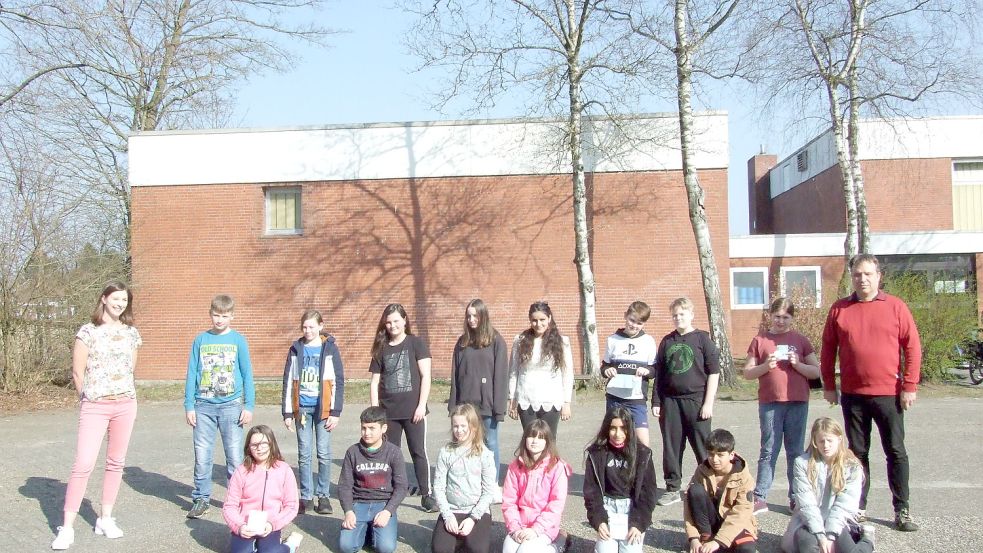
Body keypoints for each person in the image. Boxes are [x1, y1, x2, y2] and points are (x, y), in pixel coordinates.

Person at [821, 253, 921, 531]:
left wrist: (909, 385)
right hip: (853, 395)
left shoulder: (896, 307)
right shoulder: (840, 309)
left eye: (867, 274)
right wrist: (829, 385)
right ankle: (857, 506)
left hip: (889, 394)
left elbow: (912, 347)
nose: (862, 279)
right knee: (857, 453)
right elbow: (828, 349)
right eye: (857, 274)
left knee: (895, 451)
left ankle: (902, 510)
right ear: (851, 277)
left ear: (879, 276)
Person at [51, 283, 143, 550]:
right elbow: (78, 373)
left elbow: (130, 369)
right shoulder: (87, 332)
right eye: (115, 298)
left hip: (125, 404)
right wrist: (88, 399)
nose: (120, 303)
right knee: (83, 464)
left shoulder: (131, 334)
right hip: (95, 405)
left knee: (116, 462)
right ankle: (66, 527)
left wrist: (123, 395)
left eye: (124, 300)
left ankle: (105, 517)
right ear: (104, 299)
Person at [743, 297, 820, 515]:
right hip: (770, 402)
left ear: (792, 318)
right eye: (777, 316)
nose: (781, 321)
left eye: (786, 317)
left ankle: (796, 497)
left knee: (795, 451)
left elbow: (816, 372)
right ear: (770, 316)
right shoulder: (760, 340)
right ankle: (760, 496)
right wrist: (766, 366)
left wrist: (799, 364)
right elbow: (748, 372)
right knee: (769, 449)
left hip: (797, 401)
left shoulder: (801, 340)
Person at [184, 294, 256, 519]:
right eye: (216, 315)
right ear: (210, 314)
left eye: (224, 316)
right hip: (203, 406)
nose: (220, 320)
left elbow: (247, 374)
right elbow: (192, 373)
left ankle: (236, 500)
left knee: (234, 456)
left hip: (231, 406)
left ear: (232, 316)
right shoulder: (201, 340)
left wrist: (249, 405)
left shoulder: (238, 341)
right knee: (202, 455)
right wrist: (189, 405)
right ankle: (201, 498)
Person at [651, 297, 720, 507]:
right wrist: (656, 401)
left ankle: (709, 485)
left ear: (691, 315)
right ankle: (673, 487)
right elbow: (660, 374)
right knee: (671, 446)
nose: (678, 318)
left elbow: (714, 373)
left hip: (696, 401)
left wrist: (708, 403)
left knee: (702, 445)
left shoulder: (702, 340)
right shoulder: (667, 341)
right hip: (671, 401)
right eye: (675, 315)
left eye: (682, 314)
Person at [369, 303, 436, 511]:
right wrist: (376, 414)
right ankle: (392, 493)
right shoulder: (381, 348)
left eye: (396, 321)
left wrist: (421, 406)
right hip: (389, 414)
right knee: (391, 454)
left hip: (414, 411)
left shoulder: (416, 344)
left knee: (418, 451)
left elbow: (426, 376)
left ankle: (427, 494)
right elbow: (374, 383)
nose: (392, 325)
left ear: (404, 320)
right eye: (388, 322)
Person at [281, 309, 345, 515]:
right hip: (303, 410)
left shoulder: (330, 349)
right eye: (305, 327)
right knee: (304, 454)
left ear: (320, 326)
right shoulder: (296, 350)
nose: (308, 330)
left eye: (312, 326)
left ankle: (323, 495)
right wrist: (288, 413)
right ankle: (306, 496)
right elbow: (288, 381)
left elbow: (338, 381)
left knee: (324, 454)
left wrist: (335, 412)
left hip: (323, 409)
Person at [781, 418, 875, 553]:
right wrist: (820, 535)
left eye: (830, 440)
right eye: (821, 441)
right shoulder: (802, 463)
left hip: (838, 521)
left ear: (839, 439)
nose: (826, 445)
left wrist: (830, 536)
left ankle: (867, 539)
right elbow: (806, 504)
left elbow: (845, 504)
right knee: (807, 545)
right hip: (808, 522)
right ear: (815, 442)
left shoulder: (852, 466)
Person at [448, 299, 509, 483]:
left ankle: (491, 483)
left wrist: (499, 409)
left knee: (490, 443)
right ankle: (470, 482)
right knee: (466, 444)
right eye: (469, 316)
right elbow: (456, 374)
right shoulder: (462, 342)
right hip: (466, 406)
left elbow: (501, 377)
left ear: (483, 316)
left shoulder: (496, 341)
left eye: (475, 315)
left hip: (488, 405)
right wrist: (453, 406)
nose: (471, 319)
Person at [584, 407, 658, 553]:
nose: (618, 434)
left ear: (630, 429)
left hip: (631, 511)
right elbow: (591, 492)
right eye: (613, 428)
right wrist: (599, 521)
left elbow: (648, 494)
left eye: (623, 428)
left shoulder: (643, 454)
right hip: (607, 509)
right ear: (606, 429)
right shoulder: (596, 454)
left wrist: (638, 523)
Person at [222, 425, 304, 553]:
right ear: (248, 448)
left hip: (270, 525)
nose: (259, 448)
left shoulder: (284, 470)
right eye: (254, 445)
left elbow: (292, 506)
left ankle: (289, 545)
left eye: (264, 443)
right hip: (245, 525)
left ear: (272, 444)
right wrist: (239, 526)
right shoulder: (241, 471)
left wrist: (272, 524)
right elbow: (229, 506)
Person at [338, 406, 408, 553]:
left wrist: (388, 511)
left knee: (386, 548)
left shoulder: (393, 452)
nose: (367, 433)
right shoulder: (353, 452)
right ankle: (366, 529)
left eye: (372, 428)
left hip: (383, 504)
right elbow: (345, 485)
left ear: (384, 428)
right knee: (346, 547)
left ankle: (372, 530)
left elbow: (401, 486)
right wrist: (348, 511)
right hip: (359, 504)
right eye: (364, 428)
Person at [431, 404, 497, 553]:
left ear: (473, 426)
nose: (459, 430)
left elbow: (488, 492)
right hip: (452, 510)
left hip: (476, 512)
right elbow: (439, 487)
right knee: (440, 549)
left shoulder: (485, 454)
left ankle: (465, 540)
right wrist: (447, 516)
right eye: (455, 426)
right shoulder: (446, 452)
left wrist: (472, 519)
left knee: (478, 549)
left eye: (463, 426)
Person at [682, 429, 757, 553]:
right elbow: (689, 506)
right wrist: (693, 537)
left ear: (731, 455)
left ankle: (720, 544)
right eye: (710, 454)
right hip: (709, 524)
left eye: (720, 455)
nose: (714, 459)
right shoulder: (702, 471)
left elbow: (742, 513)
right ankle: (705, 537)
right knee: (694, 490)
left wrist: (719, 541)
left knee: (746, 549)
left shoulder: (744, 477)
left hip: (735, 523)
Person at [502, 420, 572, 553]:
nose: (535, 441)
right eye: (531, 436)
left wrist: (536, 530)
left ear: (547, 442)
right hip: (520, 525)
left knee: (526, 550)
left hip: (545, 527)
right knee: (509, 549)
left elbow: (556, 505)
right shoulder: (515, 467)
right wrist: (515, 529)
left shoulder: (557, 468)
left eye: (540, 438)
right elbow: (509, 502)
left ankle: (557, 545)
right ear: (525, 439)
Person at [508, 301, 574, 438]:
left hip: (552, 400)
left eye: (542, 320)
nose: (538, 324)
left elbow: (567, 374)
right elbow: (514, 372)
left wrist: (566, 402)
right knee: (530, 439)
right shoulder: (520, 341)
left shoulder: (562, 342)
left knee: (549, 440)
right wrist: (512, 398)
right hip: (526, 399)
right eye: (534, 320)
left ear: (549, 318)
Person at [602, 301, 658, 447]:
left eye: (639, 323)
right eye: (632, 320)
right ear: (625, 316)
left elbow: (654, 370)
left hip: (636, 399)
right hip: (615, 398)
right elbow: (605, 366)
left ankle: (642, 470)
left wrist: (647, 371)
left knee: (643, 444)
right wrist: (606, 370)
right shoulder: (612, 339)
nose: (634, 325)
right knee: (615, 440)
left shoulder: (648, 341)